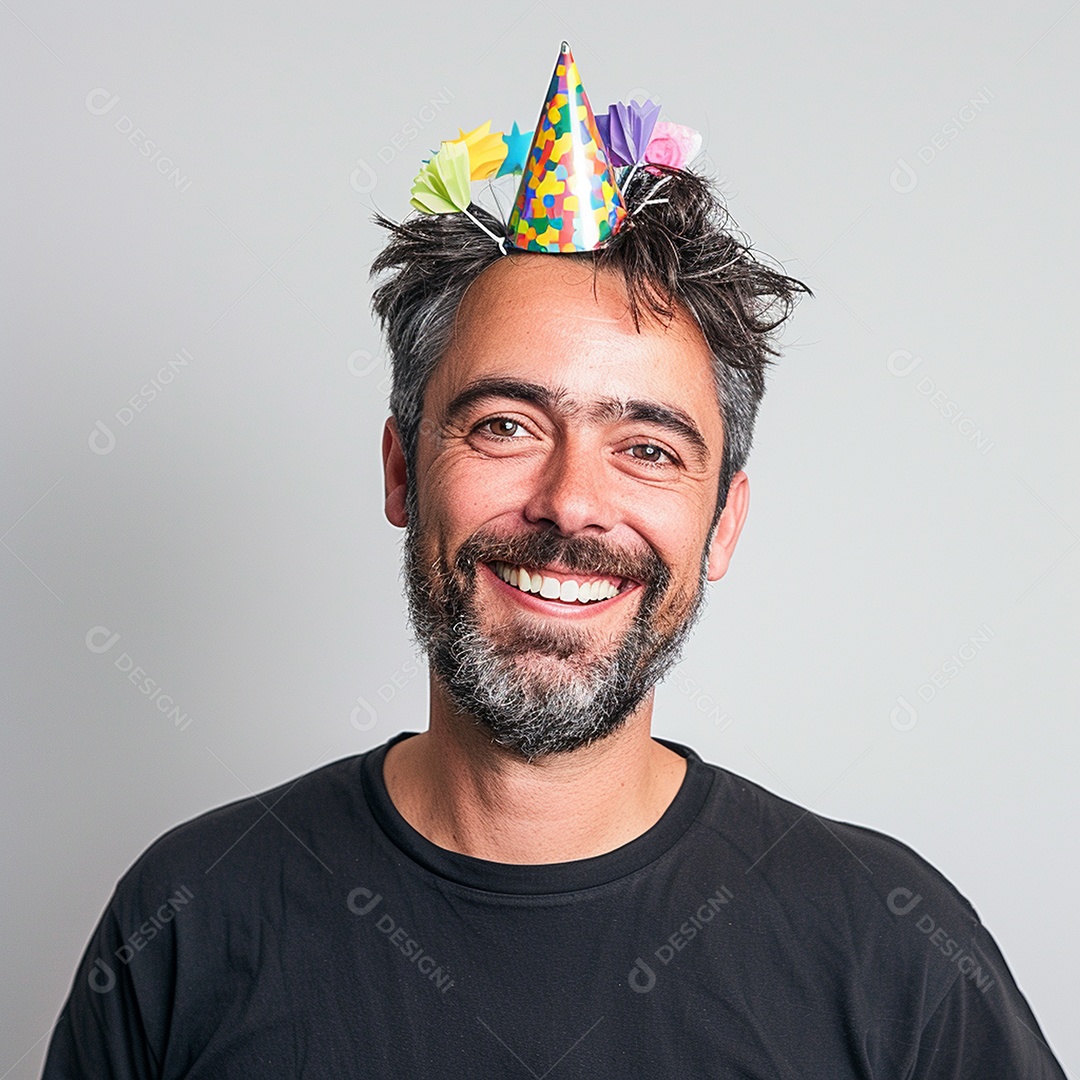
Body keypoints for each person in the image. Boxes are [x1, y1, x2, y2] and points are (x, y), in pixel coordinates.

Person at [43, 42, 1067, 1079]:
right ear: (403, 472)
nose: (572, 502)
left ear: (721, 526)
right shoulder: (189, 919)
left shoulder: (894, 955)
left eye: (649, 450)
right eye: (504, 426)